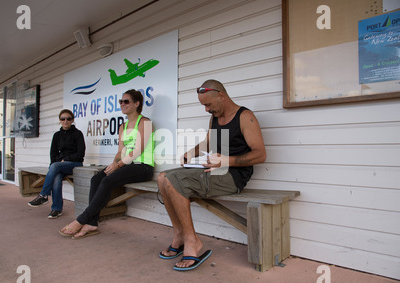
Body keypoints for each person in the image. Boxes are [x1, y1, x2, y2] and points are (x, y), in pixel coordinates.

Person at [157, 80, 266, 271]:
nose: (206, 109)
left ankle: (193, 241)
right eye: (204, 106)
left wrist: (226, 161)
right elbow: (209, 142)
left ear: (221, 96)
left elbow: (260, 154)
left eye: (208, 104)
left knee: (174, 181)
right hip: (213, 170)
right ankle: (179, 234)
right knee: (162, 177)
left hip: (234, 177)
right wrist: (191, 153)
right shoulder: (215, 117)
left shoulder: (245, 117)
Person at [59, 89, 155, 239]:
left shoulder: (145, 122)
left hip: (143, 166)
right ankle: (92, 223)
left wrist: (118, 165)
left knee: (108, 181)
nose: (122, 104)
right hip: (127, 165)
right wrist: (113, 165)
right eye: (121, 101)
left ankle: (82, 219)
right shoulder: (123, 126)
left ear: (137, 104)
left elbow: (138, 150)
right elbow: (120, 152)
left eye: (126, 101)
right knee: (96, 179)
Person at [28, 109, 86, 219]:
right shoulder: (57, 135)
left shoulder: (78, 134)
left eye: (68, 119)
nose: (65, 121)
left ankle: (43, 195)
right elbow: (53, 153)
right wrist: (54, 164)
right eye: (63, 119)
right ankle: (56, 209)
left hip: (75, 164)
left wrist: (65, 160)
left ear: (72, 120)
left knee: (55, 166)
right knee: (56, 178)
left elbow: (81, 153)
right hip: (59, 165)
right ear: (60, 120)